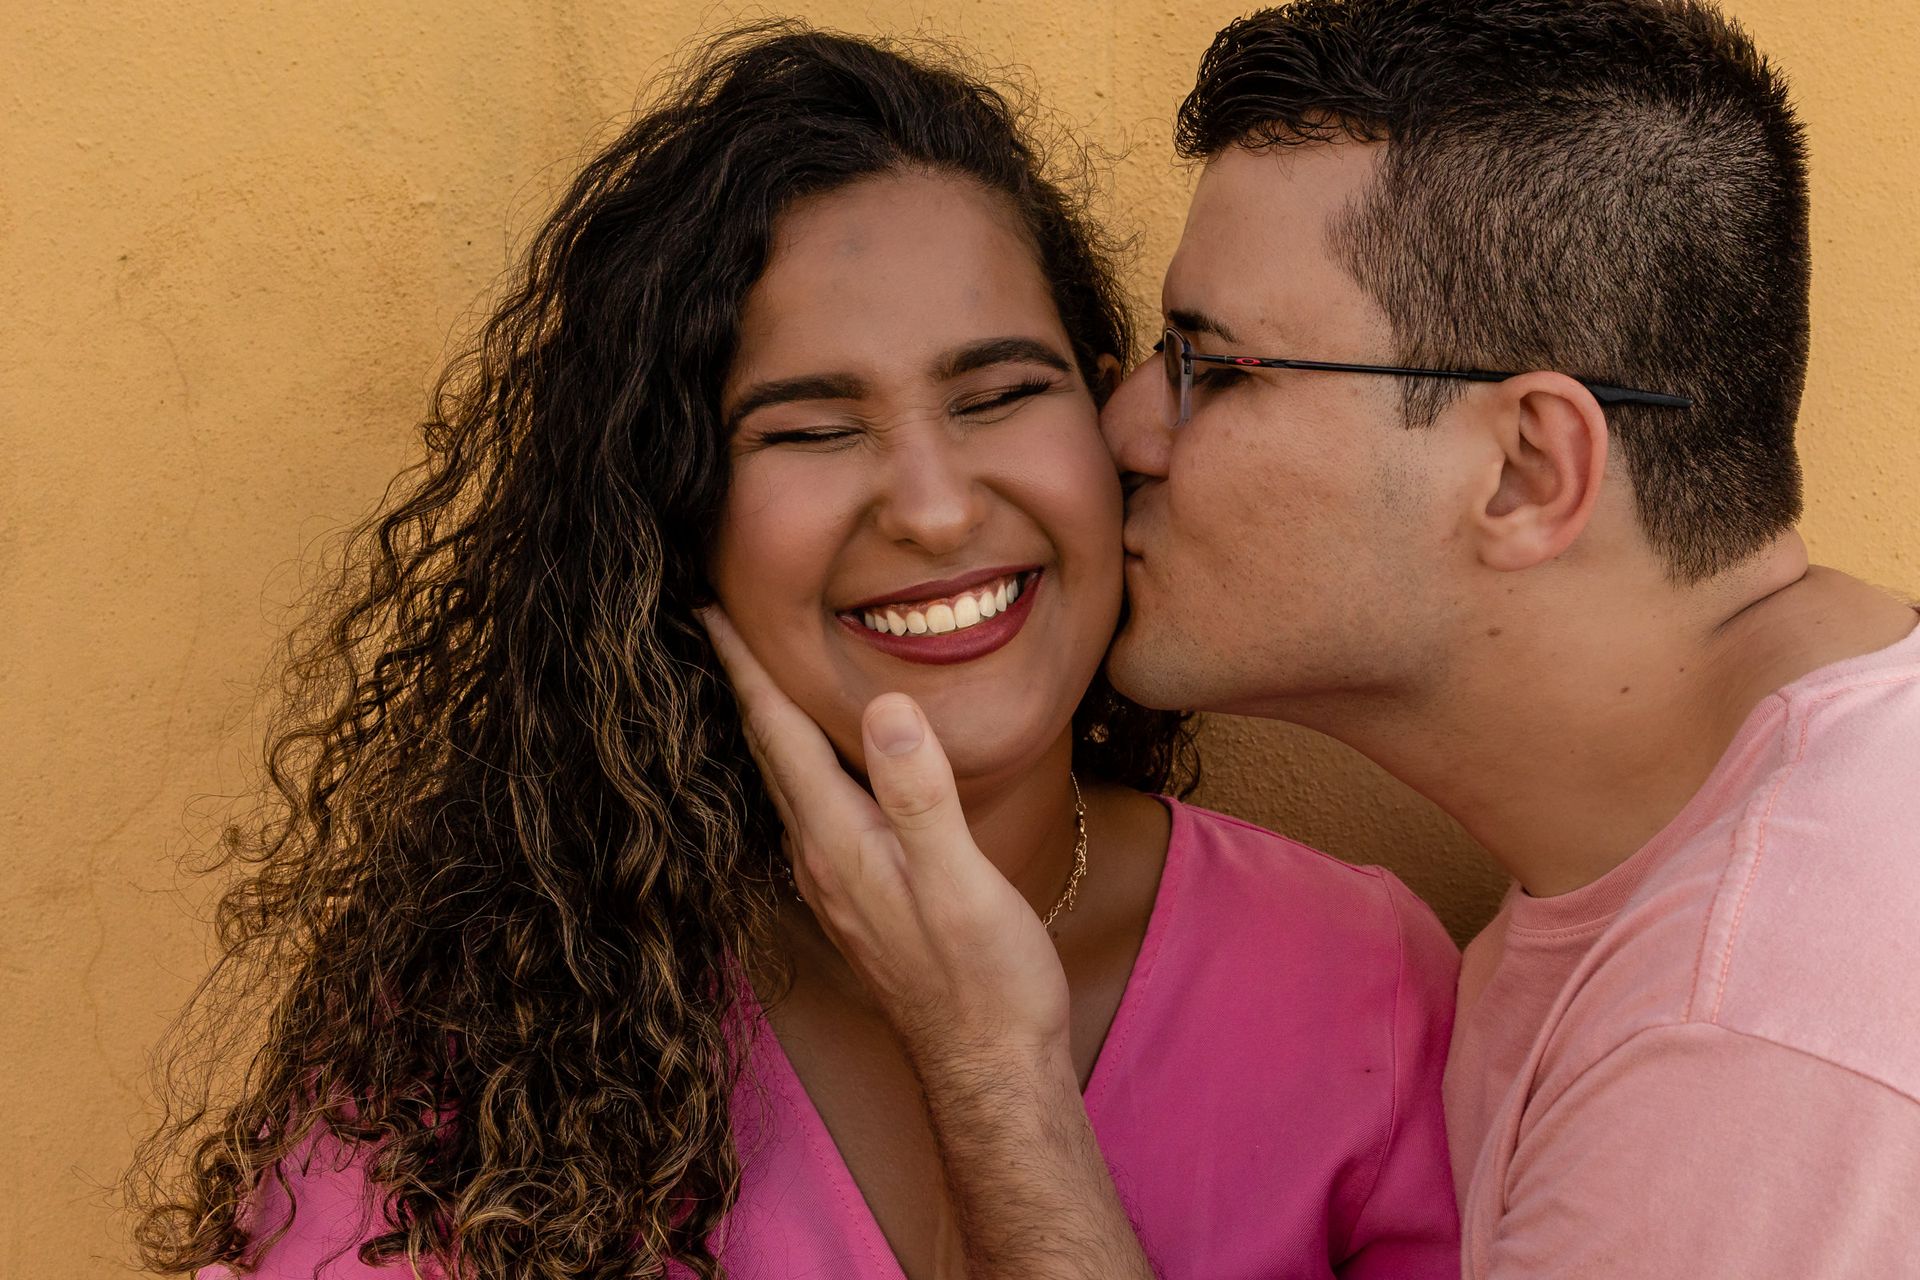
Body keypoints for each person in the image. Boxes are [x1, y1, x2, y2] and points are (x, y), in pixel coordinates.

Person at [131, 24, 1462, 1280]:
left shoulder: (1363, 985)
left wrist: (989, 1067)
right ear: (672, 522)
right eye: (810, 428)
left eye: (1001, 395)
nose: (936, 507)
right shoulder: (493, 1041)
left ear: (1110, 414)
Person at [712, 1, 1920, 1277]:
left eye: (1215, 367)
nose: (1124, 431)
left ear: (1522, 469)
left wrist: (993, 1069)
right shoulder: (1745, 871)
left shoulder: (1750, 1052)